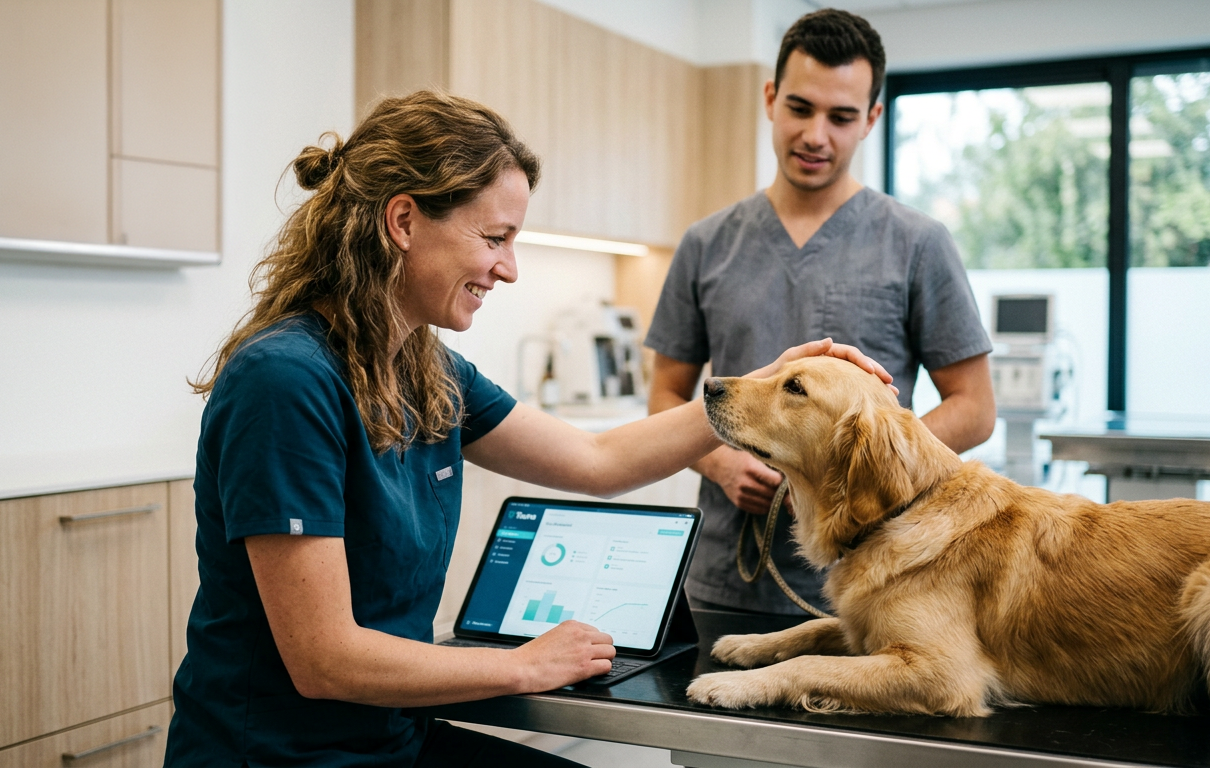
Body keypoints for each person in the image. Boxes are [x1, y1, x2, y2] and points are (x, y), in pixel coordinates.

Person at [162, 91, 892, 767]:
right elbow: (325, 659)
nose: (508, 269)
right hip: (280, 752)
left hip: (388, 736)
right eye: (496, 237)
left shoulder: (427, 370)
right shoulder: (285, 381)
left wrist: (761, 393)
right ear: (404, 220)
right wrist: (523, 665)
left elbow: (597, 459)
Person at [645, 9, 996, 616]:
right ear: (770, 99)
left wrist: (858, 470)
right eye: (801, 109)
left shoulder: (918, 242)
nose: (815, 136)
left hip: (879, 583)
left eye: (841, 117)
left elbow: (975, 407)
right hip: (726, 578)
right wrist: (722, 463)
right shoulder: (706, 244)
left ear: (871, 120)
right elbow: (665, 395)